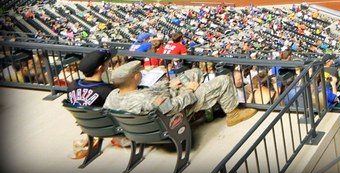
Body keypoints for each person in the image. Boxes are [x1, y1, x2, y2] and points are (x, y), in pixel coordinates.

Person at [104, 60, 257, 127]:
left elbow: (150, 94)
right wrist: (189, 90)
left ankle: (208, 105)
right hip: (179, 110)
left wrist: (168, 84)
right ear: (135, 77)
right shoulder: (141, 99)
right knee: (223, 79)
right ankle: (233, 114)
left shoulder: (113, 96)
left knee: (195, 72)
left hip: (163, 105)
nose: (140, 73)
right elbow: (171, 107)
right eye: (138, 72)